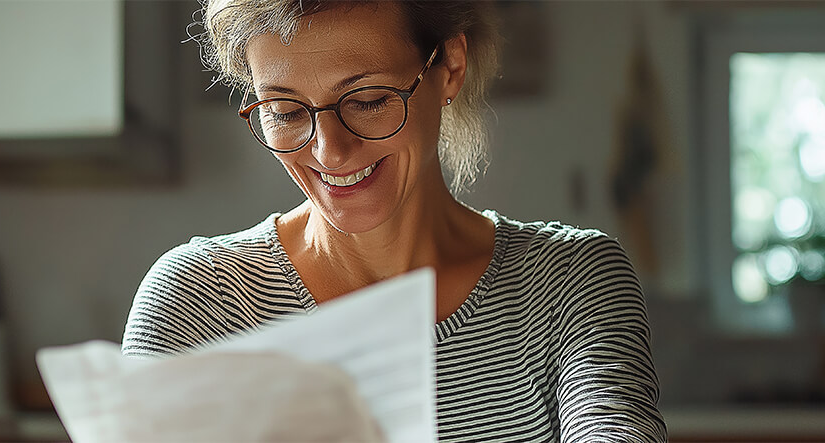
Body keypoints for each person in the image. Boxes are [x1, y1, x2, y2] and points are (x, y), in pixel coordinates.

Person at [122, 1, 668, 441]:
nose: (329, 151)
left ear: (450, 67)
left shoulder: (571, 282)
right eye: (286, 111)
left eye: (368, 100)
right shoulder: (194, 301)